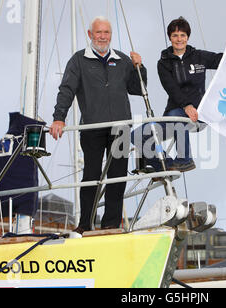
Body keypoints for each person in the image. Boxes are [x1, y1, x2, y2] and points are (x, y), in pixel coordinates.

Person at [50, 16, 147, 233]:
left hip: (121, 128)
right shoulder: (78, 60)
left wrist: (140, 67)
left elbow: (138, 88)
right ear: (90, 34)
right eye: (99, 32)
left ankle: (111, 223)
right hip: (92, 127)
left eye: (106, 33)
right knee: (91, 176)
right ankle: (85, 223)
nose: (102, 37)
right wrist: (59, 117)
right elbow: (66, 90)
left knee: (118, 176)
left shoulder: (122, 60)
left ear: (110, 35)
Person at [133, 17, 226, 173]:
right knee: (137, 135)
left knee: (178, 118)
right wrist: (186, 106)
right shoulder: (164, 63)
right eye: (175, 36)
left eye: (183, 35)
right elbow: (171, 88)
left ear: (188, 37)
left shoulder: (199, 56)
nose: (179, 39)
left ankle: (185, 159)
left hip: (199, 114)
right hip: (175, 112)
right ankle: (164, 165)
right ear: (170, 37)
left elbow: (224, 61)